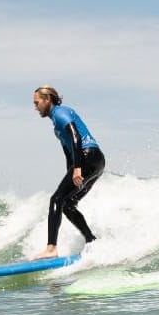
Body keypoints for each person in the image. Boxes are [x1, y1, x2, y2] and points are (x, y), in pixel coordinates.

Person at [33, 85, 105, 259]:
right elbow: (69, 152)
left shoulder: (59, 112)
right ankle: (91, 241)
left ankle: (51, 248)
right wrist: (72, 171)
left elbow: (75, 137)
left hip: (87, 156)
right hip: (97, 161)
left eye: (37, 103)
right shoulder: (56, 126)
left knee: (56, 199)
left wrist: (78, 168)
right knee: (67, 203)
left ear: (47, 99)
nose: (35, 107)